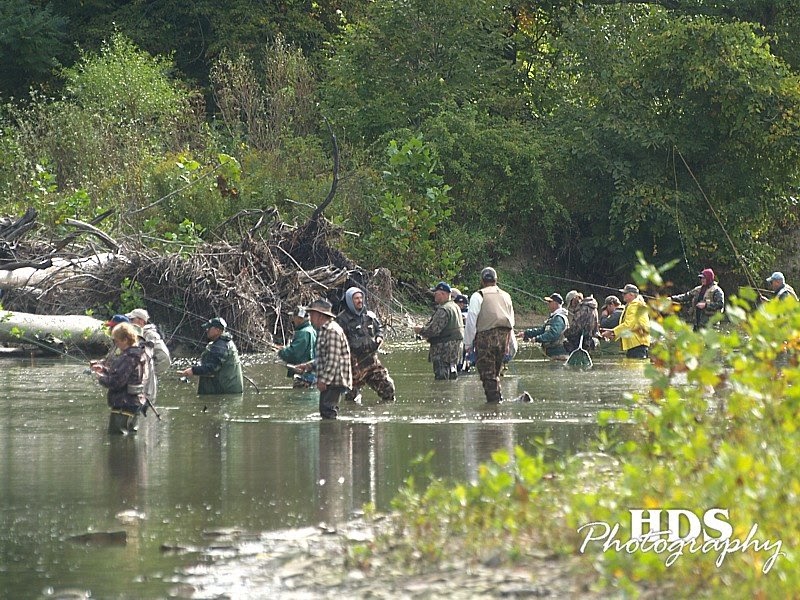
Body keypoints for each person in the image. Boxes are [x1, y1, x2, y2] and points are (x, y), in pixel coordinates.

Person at [464, 267, 515, 403]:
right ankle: (497, 402)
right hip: (504, 338)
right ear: (496, 280)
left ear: (481, 280)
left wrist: (468, 344)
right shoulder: (506, 296)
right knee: (495, 373)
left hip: (485, 338)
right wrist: (510, 345)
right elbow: (511, 323)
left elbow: (471, 321)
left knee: (487, 375)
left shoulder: (478, 295)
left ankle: (494, 406)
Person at [336, 287, 395, 404]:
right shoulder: (341, 320)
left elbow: (379, 330)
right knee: (352, 399)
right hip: (353, 366)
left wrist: (379, 337)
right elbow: (337, 342)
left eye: (361, 298)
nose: (360, 301)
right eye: (356, 298)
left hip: (372, 362)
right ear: (349, 301)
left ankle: (382, 415)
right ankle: (353, 419)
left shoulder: (370, 316)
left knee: (388, 388)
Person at [294, 299, 352, 419]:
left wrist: (324, 380)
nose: (309, 318)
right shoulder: (324, 331)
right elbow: (323, 358)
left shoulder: (332, 331)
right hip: (332, 379)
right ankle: (330, 436)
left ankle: (333, 437)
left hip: (334, 380)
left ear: (319, 315)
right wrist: (307, 366)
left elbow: (333, 359)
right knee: (326, 411)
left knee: (328, 411)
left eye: (311, 314)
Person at [91, 322, 148, 434]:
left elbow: (117, 382)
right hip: (134, 403)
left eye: (116, 341)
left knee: (117, 440)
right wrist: (104, 370)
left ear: (125, 340)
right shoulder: (138, 354)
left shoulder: (129, 357)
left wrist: (101, 378)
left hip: (124, 405)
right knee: (130, 443)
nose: (116, 344)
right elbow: (126, 375)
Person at [179, 317, 244, 395]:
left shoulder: (221, 345)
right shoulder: (222, 343)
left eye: (209, 328)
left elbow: (212, 368)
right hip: (226, 390)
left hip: (225, 392)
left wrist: (192, 371)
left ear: (217, 330)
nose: (207, 330)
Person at [414, 281, 465, 380]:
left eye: (436, 293)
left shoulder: (444, 309)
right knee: (451, 379)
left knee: (442, 380)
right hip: (454, 351)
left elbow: (433, 330)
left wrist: (420, 330)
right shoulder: (455, 307)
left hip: (443, 351)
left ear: (443, 293)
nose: (434, 295)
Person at [601, 284, 651, 359]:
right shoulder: (633, 305)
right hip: (637, 343)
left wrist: (612, 332)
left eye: (625, 293)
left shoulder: (635, 305)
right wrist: (614, 335)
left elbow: (628, 324)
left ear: (631, 295)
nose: (622, 295)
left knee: (635, 368)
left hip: (637, 344)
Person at [519, 293, 569, 359]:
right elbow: (542, 330)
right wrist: (526, 333)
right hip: (553, 354)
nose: (548, 304)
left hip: (559, 355)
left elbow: (553, 334)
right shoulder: (553, 318)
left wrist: (537, 339)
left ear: (555, 303)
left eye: (550, 302)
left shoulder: (559, 318)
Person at [277, 306, 317, 388]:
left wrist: (282, 351)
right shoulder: (312, 330)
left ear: (300, 318)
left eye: (294, 317)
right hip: (312, 376)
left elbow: (294, 354)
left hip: (304, 377)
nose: (293, 319)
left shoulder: (304, 333)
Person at [126, 308, 171, 374]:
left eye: (131, 319)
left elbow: (165, 360)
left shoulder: (150, 334)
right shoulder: (135, 334)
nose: (129, 322)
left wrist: (145, 373)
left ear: (141, 321)